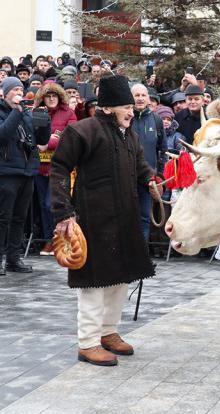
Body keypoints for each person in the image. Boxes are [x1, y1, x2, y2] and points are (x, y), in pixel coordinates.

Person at [50, 75, 162, 367]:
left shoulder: (130, 135)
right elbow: (59, 168)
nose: (132, 111)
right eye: (127, 106)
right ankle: (88, 343)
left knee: (120, 279)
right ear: (110, 107)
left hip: (124, 218)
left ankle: (108, 332)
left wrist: (152, 180)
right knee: (95, 284)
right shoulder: (82, 131)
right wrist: (63, 212)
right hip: (92, 218)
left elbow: (141, 168)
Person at [0, 77, 50, 274]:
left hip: (28, 171)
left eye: (21, 89)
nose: (19, 92)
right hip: (6, 172)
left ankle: (14, 259)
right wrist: (16, 111)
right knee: (3, 217)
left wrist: (44, 122)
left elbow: (41, 140)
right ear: (4, 93)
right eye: (14, 90)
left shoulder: (26, 113)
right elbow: (3, 134)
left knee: (20, 218)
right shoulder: (9, 112)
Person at [33, 82, 77, 255]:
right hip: (39, 166)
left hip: (59, 167)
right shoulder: (36, 112)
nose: (51, 99)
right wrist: (49, 139)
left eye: (54, 95)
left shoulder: (69, 113)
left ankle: (56, 240)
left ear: (59, 97)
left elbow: (71, 137)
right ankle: (47, 239)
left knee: (51, 203)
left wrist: (49, 142)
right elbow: (31, 137)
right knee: (42, 206)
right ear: (42, 98)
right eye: (48, 96)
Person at [131, 84, 167, 241]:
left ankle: (142, 258)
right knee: (126, 219)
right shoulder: (125, 118)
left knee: (145, 218)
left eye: (143, 95)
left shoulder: (156, 119)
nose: (140, 98)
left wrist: (160, 176)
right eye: (136, 95)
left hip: (148, 179)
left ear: (148, 98)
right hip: (126, 176)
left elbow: (163, 149)